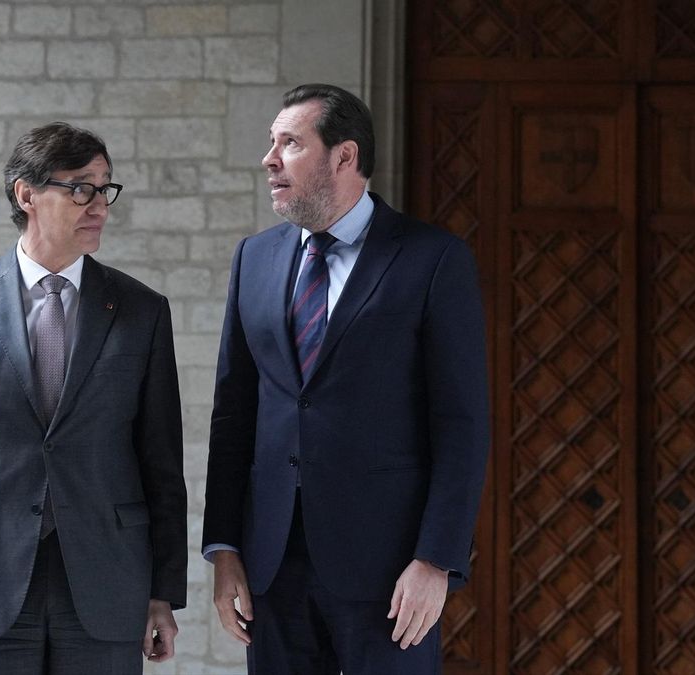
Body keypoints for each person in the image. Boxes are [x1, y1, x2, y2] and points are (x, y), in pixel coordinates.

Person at [203, 84, 490, 674]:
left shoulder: (432, 259)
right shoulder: (252, 260)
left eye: (289, 143)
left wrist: (436, 558)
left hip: (389, 571)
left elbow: (461, 424)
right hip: (272, 565)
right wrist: (225, 547)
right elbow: (234, 415)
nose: (269, 159)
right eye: (270, 143)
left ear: (344, 156)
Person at [0, 122, 187, 674]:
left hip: (107, 581)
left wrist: (162, 592)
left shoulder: (142, 310)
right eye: (80, 187)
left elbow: (162, 465)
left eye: (105, 187)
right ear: (25, 194)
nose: (98, 203)